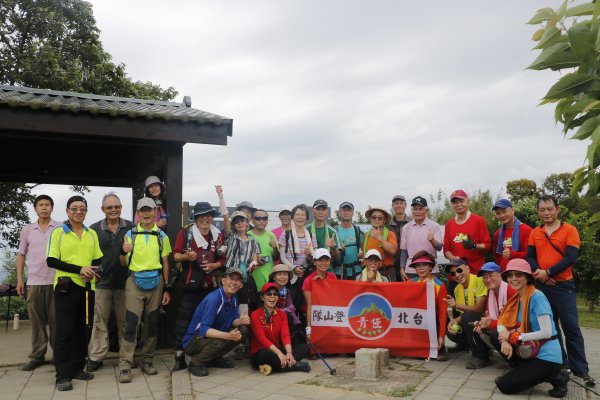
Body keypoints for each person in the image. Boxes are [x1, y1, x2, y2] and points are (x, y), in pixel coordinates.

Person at [527, 195, 595, 387]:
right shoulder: (535, 232)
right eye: (542, 210)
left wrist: (548, 272)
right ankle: (561, 364)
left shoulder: (570, 230)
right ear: (538, 212)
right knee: (550, 328)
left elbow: (570, 258)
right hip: (541, 286)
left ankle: (581, 369)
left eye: (549, 209)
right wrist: (540, 274)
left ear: (557, 209)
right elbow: (530, 257)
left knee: (571, 326)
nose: (546, 213)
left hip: (563, 286)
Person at [46, 196, 102, 391]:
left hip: (88, 288)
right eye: (74, 208)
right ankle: (62, 375)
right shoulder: (58, 233)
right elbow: (52, 261)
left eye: (82, 209)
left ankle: (78, 368)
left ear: (86, 211)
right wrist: (80, 269)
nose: (78, 212)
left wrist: (93, 272)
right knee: (64, 331)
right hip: (66, 287)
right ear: (68, 211)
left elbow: (98, 261)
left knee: (83, 329)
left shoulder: (91, 234)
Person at [495, 259, 569, 397]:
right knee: (496, 336)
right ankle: (524, 370)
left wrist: (516, 336)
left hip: (547, 356)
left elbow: (547, 332)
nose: (513, 278)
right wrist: (505, 339)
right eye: (510, 275)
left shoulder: (537, 297)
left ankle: (557, 377)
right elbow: (501, 323)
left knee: (504, 385)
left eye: (518, 274)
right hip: (529, 348)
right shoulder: (518, 298)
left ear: (528, 277)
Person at [118, 197, 172, 383]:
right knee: (131, 323)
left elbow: (166, 262)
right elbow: (123, 263)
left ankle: (147, 361)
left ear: (154, 212)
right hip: (134, 280)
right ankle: (125, 364)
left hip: (156, 282)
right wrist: (123, 251)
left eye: (149, 210)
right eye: (143, 211)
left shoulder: (162, 236)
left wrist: (166, 287)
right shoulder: (130, 234)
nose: (146, 214)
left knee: (152, 323)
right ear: (138, 214)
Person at [172, 201, 226, 372]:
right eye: (202, 215)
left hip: (212, 285)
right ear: (196, 217)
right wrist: (187, 257)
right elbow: (174, 256)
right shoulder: (186, 232)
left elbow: (224, 259)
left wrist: (215, 266)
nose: (206, 218)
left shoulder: (218, 235)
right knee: (184, 321)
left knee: (213, 321)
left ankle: (211, 356)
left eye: (209, 215)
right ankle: (179, 358)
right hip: (190, 284)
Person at [87, 193, 134, 372]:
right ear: (102, 209)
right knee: (100, 322)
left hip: (126, 283)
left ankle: (126, 358)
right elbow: (89, 255)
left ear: (121, 207)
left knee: (125, 322)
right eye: (109, 207)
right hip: (102, 283)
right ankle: (97, 357)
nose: (113, 210)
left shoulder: (131, 227)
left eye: (117, 206)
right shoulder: (94, 229)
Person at [16, 194, 60, 371]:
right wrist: (20, 278)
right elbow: (21, 255)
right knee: (36, 322)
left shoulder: (60, 227)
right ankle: (37, 356)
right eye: (40, 205)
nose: (44, 207)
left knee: (57, 321)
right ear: (35, 208)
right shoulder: (27, 229)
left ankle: (59, 355)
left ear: (51, 208)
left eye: (47, 204)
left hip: (56, 281)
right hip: (33, 282)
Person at [183, 270, 250, 377]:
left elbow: (233, 320)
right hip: (193, 341)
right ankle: (196, 362)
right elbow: (204, 330)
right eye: (231, 278)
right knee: (222, 339)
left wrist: (241, 321)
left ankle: (213, 358)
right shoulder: (214, 299)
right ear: (223, 281)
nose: (234, 282)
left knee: (243, 330)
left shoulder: (233, 298)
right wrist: (228, 336)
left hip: (212, 338)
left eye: (237, 280)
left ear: (241, 285)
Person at [250, 282, 311, 376]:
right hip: (261, 352)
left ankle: (272, 366)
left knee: (304, 348)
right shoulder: (255, 314)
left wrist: (289, 353)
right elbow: (262, 339)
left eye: (275, 294)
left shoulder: (282, 314)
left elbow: (285, 335)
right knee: (265, 354)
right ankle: (295, 366)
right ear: (262, 297)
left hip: (277, 349)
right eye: (269, 294)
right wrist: (279, 353)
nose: (272, 297)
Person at [443, 259, 489, 369]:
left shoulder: (479, 280)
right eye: (453, 273)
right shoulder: (457, 288)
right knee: (451, 331)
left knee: (468, 318)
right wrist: (454, 321)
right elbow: (463, 314)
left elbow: (479, 309)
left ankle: (481, 356)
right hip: (472, 319)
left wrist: (456, 306)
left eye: (459, 270)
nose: (457, 275)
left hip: (486, 318)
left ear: (467, 268)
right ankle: (469, 346)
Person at [278, 204, 317, 316]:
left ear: (307, 217)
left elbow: (315, 257)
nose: (300, 217)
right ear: (293, 217)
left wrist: (310, 254)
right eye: (297, 214)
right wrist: (293, 267)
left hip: (306, 275)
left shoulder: (311, 235)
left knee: (304, 306)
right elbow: (282, 257)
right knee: (290, 305)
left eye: (302, 214)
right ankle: (291, 330)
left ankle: (302, 331)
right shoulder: (285, 234)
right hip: (291, 275)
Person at [409, 251, 448, 361]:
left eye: (424, 264)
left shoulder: (440, 285)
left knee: (436, 318)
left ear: (431, 267)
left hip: (433, 320)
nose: (421, 268)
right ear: (415, 268)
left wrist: (441, 336)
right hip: (416, 320)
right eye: (418, 265)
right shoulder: (409, 283)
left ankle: (440, 347)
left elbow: (443, 313)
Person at [472, 262, 517, 354]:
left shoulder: (511, 291)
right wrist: (482, 323)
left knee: (494, 334)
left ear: (500, 274)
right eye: (485, 277)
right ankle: (483, 357)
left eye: (491, 275)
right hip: (501, 326)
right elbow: (489, 315)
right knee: (475, 326)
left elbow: (516, 322)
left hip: (518, 331)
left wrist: (491, 324)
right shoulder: (491, 292)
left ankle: (514, 362)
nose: (488, 280)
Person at [443, 189, 491, 275]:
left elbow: (487, 246)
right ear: (452, 205)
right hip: (456, 274)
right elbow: (446, 250)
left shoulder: (478, 220)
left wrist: (474, 246)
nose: (459, 205)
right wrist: (453, 258)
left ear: (467, 202)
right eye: (455, 202)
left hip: (475, 271)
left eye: (461, 201)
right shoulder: (449, 224)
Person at [399, 196, 443, 281]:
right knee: (412, 294)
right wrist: (402, 268)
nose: (417, 212)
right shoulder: (406, 227)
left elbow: (439, 247)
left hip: (431, 269)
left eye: (420, 209)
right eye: (415, 209)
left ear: (426, 210)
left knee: (431, 294)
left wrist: (432, 240)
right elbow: (404, 251)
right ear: (412, 210)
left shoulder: (435, 226)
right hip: (411, 269)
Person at [302, 248, 337, 339]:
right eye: (320, 260)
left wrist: (323, 284)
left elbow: (335, 298)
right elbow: (309, 306)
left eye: (326, 260)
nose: (323, 263)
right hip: (316, 316)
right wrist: (309, 330)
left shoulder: (333, 276)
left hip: (330, 314)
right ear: (314, 262)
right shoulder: (308, 280)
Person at [491, 199, 532, 271]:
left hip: (521, 274)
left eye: (504, 212)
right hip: (504, 274)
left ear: (512, 210)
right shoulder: (498, 233)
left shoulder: (526, 230)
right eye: (498, 213)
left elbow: (531, 255)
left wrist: (512, 254)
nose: (502, 215)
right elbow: (496, 255)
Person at [268, 264, 303, 345]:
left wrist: (297, 323)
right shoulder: (269, 290)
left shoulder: (286, 291)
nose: (282, 277)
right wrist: (285, 311)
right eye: (279, 274)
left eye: (285, 274)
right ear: (273, 277)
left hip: (281, 317)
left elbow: (290, 307)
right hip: (270, 319)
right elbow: (270, 310)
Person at [248, 209, 279, 294]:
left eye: (264, 218)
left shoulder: (271, 235)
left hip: (269, 278)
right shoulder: (248, 235)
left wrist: (275, 248)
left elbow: (276, 257)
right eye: (258, 218)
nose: (261, 221)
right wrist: (254, 259)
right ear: (252, 220)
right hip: (253, 279)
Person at [362, 206, 398, 280]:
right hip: (369, 272)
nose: (376, 219)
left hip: (386, 272)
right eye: (374, 217)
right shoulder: (366, 235)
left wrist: (380, 238)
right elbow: (364, 253)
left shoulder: (390, 234)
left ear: (384, 221)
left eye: (380, 218)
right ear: (370, 219)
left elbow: (393, 251)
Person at [335, 201, 363, 280]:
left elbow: (366, 250)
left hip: (356, 272)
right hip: (338, 273)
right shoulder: (334, 231)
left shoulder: (358, 231)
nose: (346, 212)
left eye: (349, 210)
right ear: (339, 212)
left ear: (353, 212)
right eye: (344, 210)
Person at [307, 199, 340, 264]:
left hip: (328, 269)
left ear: (327, 212)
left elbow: (336, 258)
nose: (320, 212)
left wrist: (334, 247)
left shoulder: (333, 232)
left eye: (323, 209)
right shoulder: (306, 230)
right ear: (313, 211)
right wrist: (308, 254)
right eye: (318, 209)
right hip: (311, 269)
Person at [388, 195, 409, 282]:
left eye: (401, 203)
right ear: (392, 206)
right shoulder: (387, 225)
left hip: (409, 265)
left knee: (408, 291)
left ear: (405, 205)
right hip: (392, 265)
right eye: (396, 203)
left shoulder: (412, 222)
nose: (399, 205)